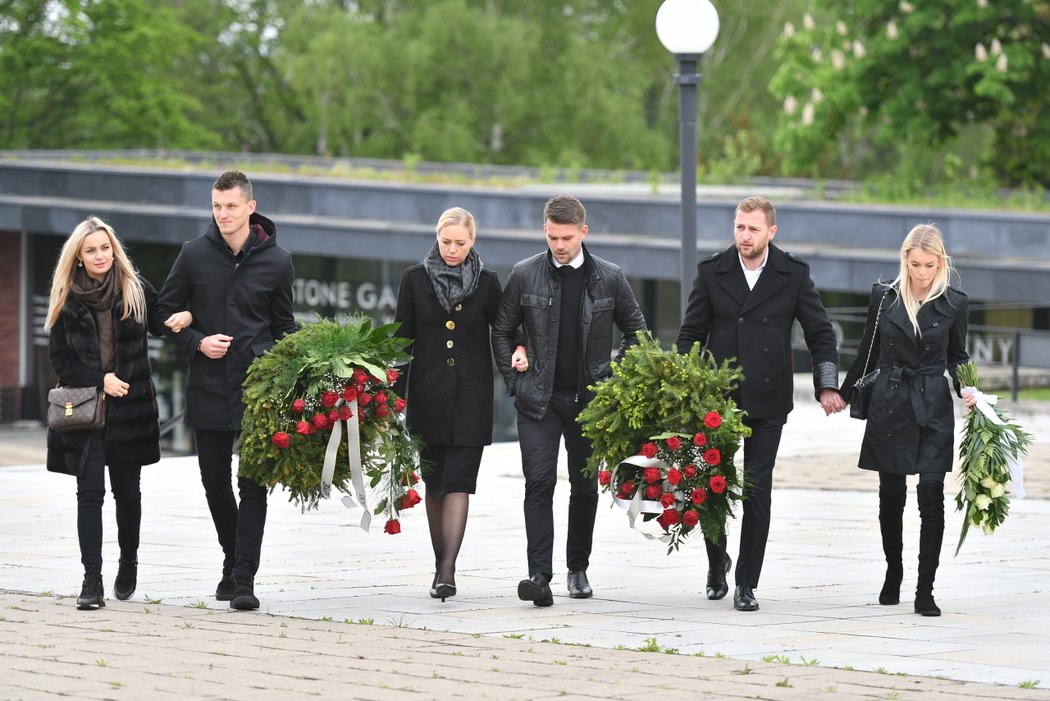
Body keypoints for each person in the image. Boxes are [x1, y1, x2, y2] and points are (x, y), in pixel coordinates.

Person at [676, 195, 845, 612]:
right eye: (739, 227)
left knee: (757, 490)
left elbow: (821, 334)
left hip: (768, 401)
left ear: (771, 231)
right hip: (716, 400)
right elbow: (690, 334)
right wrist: (679, 385)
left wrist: (826, 386)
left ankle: (746, 582)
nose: (744, 236)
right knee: (710, 488)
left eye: (752, 228)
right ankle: (717, 566)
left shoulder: (793, 274)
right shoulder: (712, 272)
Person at [492, 195, 647, 607]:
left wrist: (613, 380)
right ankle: (539, 575)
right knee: (538, 483)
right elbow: (502, 332)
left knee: (583, 487)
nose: (559, 245)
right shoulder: (525, 274)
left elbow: (637, 333)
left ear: (583, 231)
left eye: (566, 237)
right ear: (545, 230)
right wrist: (515, 381)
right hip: (537, 401)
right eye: (552, 237)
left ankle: (577, 569)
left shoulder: (610, 277)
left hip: (590, 401)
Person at [156, 171, 297, 611]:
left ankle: (243, 578)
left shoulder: (278, 261)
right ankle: (231, 558)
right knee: (214, 483)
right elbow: (163, 309)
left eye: (231, 206)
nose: (222, 214)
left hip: (258, 389)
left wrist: (273, 358)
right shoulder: (193, 254)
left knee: (252, 485)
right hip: (209, 387)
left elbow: (284, 326)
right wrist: (196, 340)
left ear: (250, 207)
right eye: (217, 206)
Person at [44, 217, 191, 609]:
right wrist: (100, 379)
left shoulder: (134, 288)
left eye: (105, 248)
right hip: (87, 411)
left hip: (130, 411)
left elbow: (161, 320)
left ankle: (129, 561)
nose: (100, 255)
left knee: (128, 495)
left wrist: (184, 317)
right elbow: (60, 360)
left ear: (114, 249)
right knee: (89, 494)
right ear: (78, 256)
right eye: (91, 250)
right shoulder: (66, 297)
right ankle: (92, 580)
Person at [840, 224, 974, 617]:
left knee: (931, 498)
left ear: (941, 262)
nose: (921, 273)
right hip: (891, 403)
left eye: (929, 265)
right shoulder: (884, 297)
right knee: (891, 497)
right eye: (914, 264)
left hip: (933, 404)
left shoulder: (954, 303)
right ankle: (893, 571)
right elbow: (867, 350)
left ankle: (925, 589)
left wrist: (969, 390)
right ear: (905, 260)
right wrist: (839, 392)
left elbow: (958, 355)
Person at [392, 207, 503, 602]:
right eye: (446, 242)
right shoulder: (414, 279)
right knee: (435, 484)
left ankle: (447, 569)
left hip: (472, 398)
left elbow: (504, 332)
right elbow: (402, 341)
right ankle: (441, 565)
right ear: (436, 238)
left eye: (460, 243)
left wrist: (518, 364)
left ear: (473, 241)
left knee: (459, 482)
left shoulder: (488, 283)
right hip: (428, 397)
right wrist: (394, 399)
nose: (452, 249)